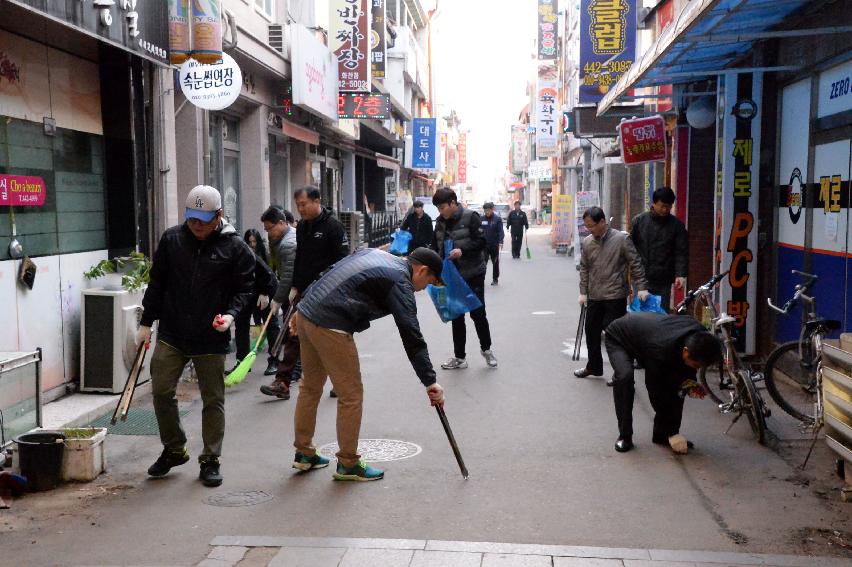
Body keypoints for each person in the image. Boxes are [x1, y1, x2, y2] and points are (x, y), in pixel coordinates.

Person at [288, 247, 446, 481]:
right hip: (332, 324)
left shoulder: (376, 254)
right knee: (350, 395)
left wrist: (300, 308)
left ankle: (304, 453)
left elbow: (329, 272)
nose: (424, 289)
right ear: (422, 270)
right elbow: (411, 334)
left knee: (310, 388)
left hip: (308, 313)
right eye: (429, 282)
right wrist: (430, 381)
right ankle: (348, 463)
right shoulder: (400, 282)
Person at [136, 185, 255, 487]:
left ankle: (210, 459)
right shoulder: (172, 240)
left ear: (219, 215)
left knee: (212, 399)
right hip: (173, 332)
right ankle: (174, 448)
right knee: (161, 390)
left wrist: (231, 315)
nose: (197, 225)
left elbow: (245, 288)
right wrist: (146, 322)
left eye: (203, 219)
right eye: (192, 218)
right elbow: (157, 283)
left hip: (210, 336)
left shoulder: (235, 247)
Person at [261, 187, 349, 400]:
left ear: (317, 201)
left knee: (332, 338)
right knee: (293, 333)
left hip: (329, 290)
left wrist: (330, 285)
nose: (300, 209)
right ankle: (282, 382)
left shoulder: (334, 227)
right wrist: (295, 287)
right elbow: (300, 259)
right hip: (304, 291)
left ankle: (341, 381)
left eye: (303, 204)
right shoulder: (302, 228)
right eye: (298, 205)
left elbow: (343, 261)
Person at [604, 312, 723, 453]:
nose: (697, 369)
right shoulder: (660, 349)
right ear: (685, 352)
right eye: (696, 365)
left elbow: (681, 383)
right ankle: (625, 435)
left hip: (648, 336)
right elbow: (656, 391)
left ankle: (663, 435)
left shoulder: (700, 336)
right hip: (619, 337)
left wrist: (690, 384)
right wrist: (682, 385)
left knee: (680, 386)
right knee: (625, 378)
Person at [574, 206, 649, 384]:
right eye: (586, 227)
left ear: (602, 222)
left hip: (615, 296)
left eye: (591, 226)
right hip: (594, 295)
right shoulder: (587, 242)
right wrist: (583, 291)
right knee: (591, 332)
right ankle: (594, 366)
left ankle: (621, 372)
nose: (589, 230)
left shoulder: (621, 239)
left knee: (614, 335)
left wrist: (642, 287)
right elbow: (584, 268)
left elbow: (635, 263)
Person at [431, 188, 497, 369]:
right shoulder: (439, 223)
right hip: (451, 276)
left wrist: (462, 250)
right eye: (438, 208)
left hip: (473, 273)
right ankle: (460, 357)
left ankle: (487, 350)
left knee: (478, 313)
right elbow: (436, 247)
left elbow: (482, 242)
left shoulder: (471, 217)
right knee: (457, 315)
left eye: (443, 207)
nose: (440, 211)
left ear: (453, 203)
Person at [258, 206, 298, 396]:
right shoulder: (279, 241)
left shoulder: (288, 244)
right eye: (265, 230)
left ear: (282, 223)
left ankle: (283, 381)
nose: (268, 233)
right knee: (295, 338)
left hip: (302, 295)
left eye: (270, 228)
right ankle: (283, 382)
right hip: (297, 295)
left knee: (294, 336)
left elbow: (288, 277)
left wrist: (277, 300)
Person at [630, 187, 689, 311]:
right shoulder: (639, 221)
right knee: (640, 316)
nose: (665, 210)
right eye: (662, 206)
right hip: (641, 278)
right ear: (654, 203)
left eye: (668, 207)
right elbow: (630, 249)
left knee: (661, 314)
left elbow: (681, 251)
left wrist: (680, 274)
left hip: (663, 279)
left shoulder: (677, 226)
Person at [231, 228, 280, 376]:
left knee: (270, 324)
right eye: (249, 242)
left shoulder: (253, 254)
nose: (252, 245)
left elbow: (268, 275)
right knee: (241, 325)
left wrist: (265, 293)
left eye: (254, 242)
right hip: (247, 293)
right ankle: (242, 362)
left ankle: (274, 361)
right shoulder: (232, 254)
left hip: (264, 291)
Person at [481, 202, 504, 285]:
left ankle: (495, 279)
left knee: (495, 262)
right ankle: (481, 279)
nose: (486, 212)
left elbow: (501, 231)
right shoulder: (481, 219)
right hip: (484, 245)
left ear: (492, 209)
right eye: (485, 210)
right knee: (483, 263)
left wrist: (501, 242)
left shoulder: (497, 219)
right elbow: (478, 230)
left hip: (494, 245)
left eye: (488, 210)